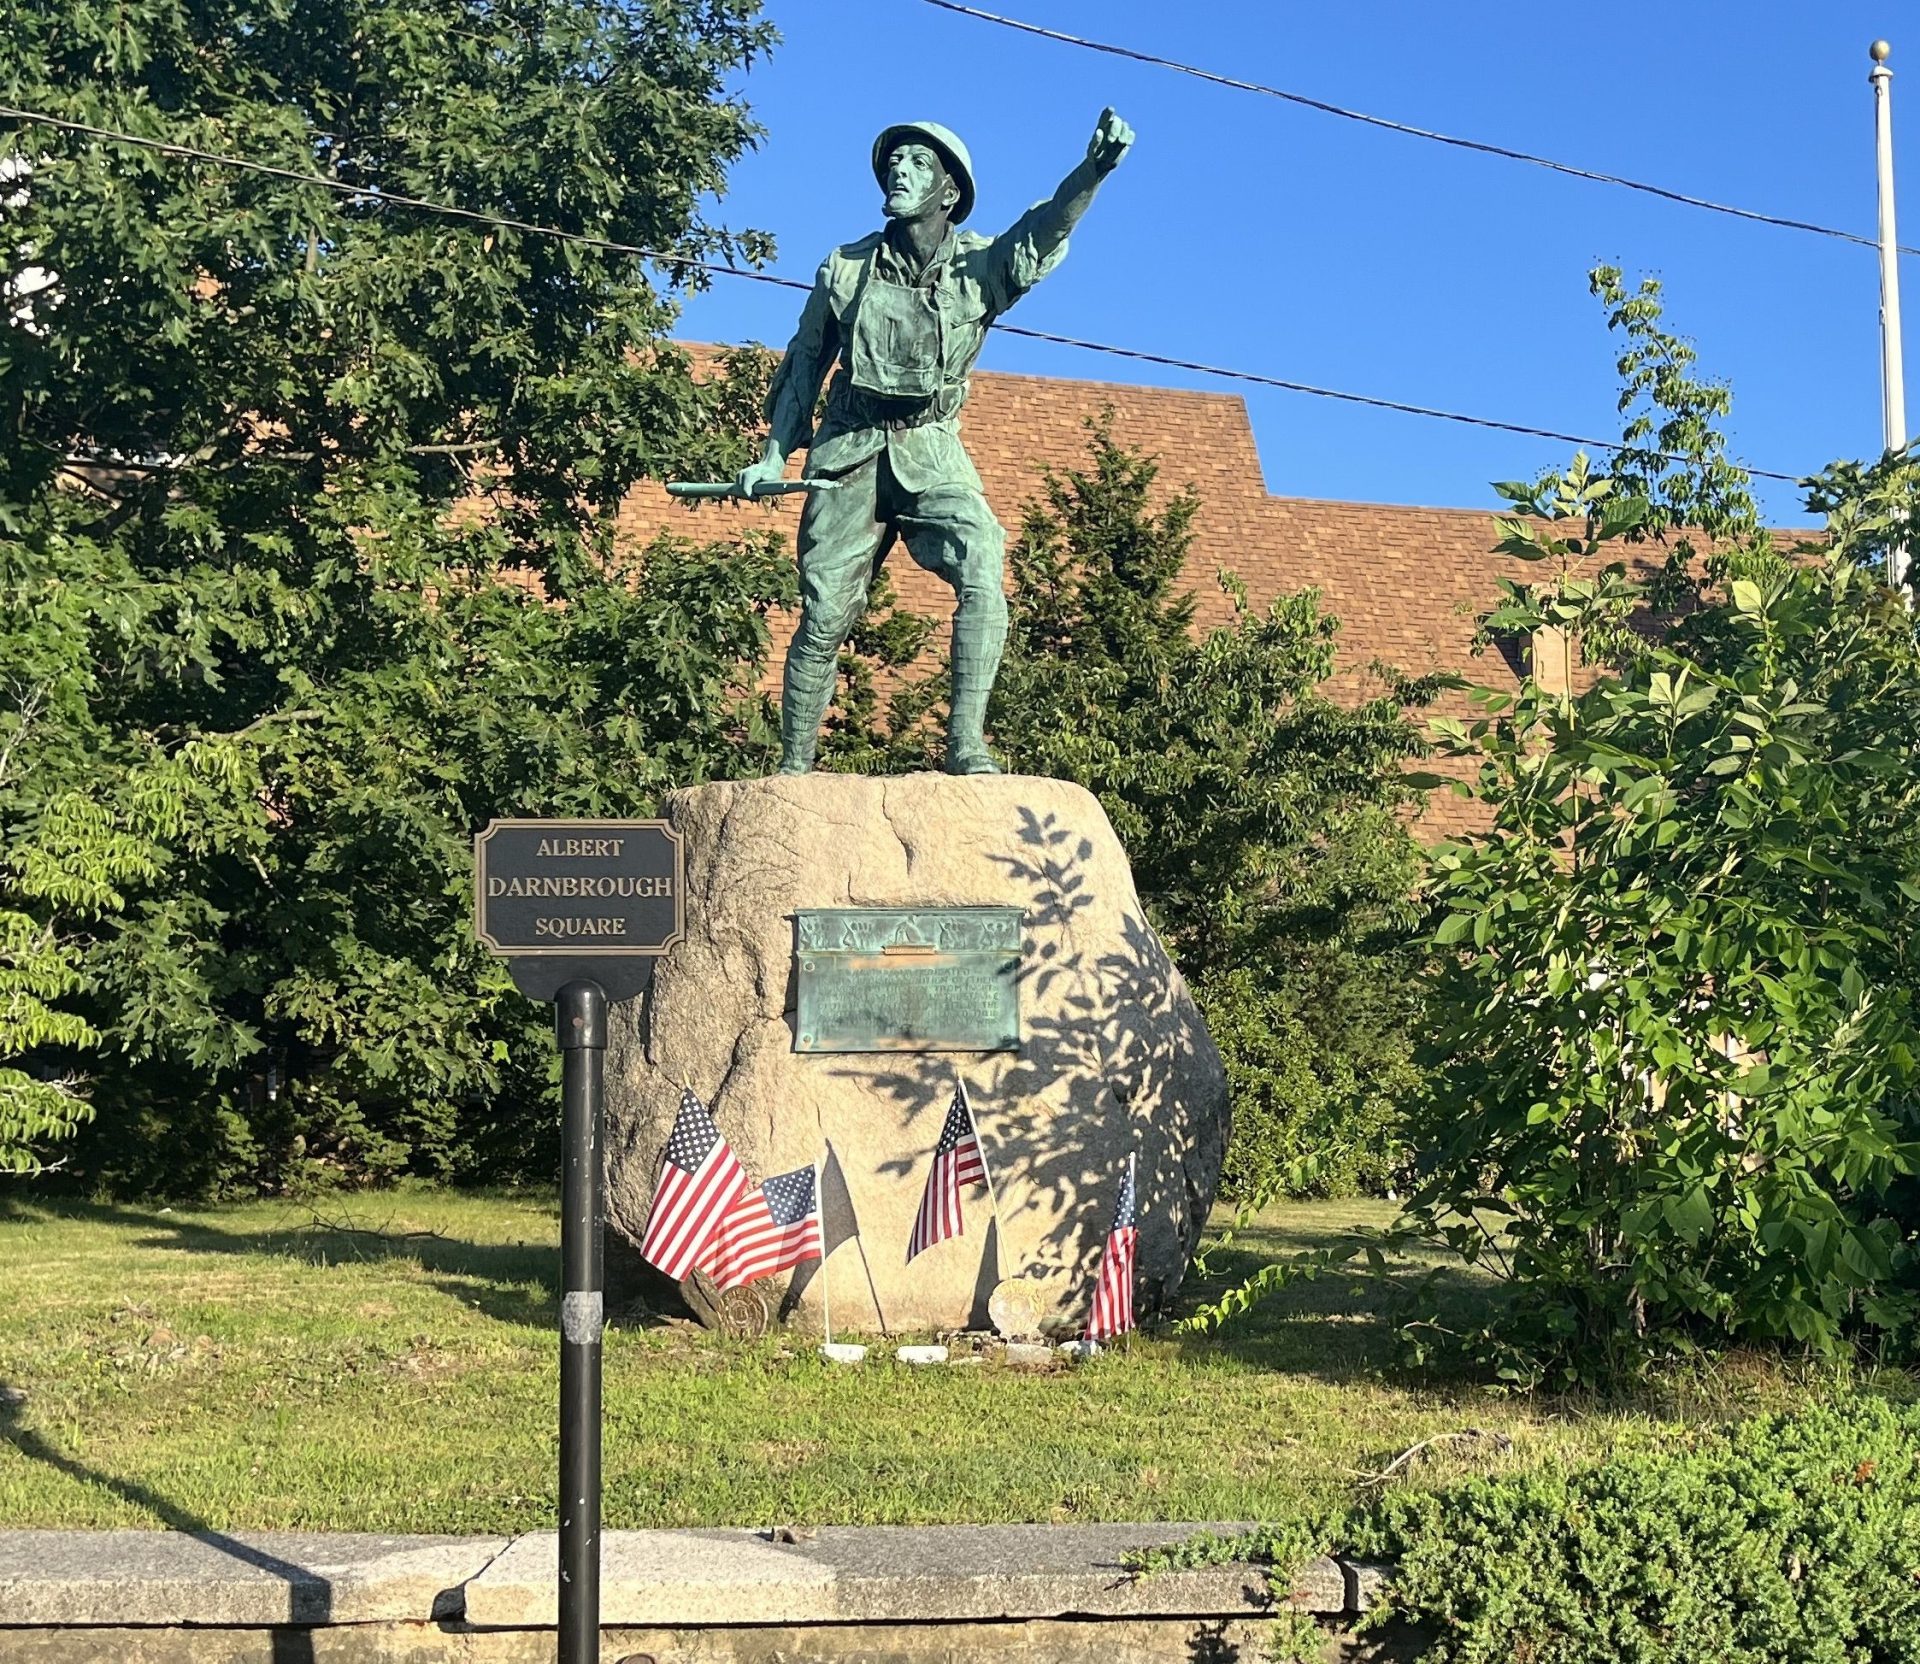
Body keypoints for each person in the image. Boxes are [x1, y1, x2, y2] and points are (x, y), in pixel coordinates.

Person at [735, 109, 1135, 774]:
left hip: (930, 449)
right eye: (895, 161)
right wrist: (775, 454)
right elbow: (805, 360)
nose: (900, 170)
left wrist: (1092, 172)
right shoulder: (845, 268)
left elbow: (1047, 226)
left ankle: (966, 744)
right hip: (850, 451)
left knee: (982, 557)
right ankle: (794, 769)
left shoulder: (981, 266)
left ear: (949, 191)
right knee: (825, 613)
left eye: (919, 163)